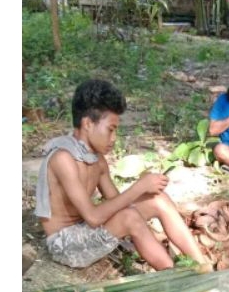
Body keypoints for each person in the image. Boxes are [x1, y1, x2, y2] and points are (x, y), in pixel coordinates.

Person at [35, 79, 209, 271]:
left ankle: (203, 265)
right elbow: (93, 217)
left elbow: (116, 202)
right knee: (129, 218)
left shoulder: (97, 160)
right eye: (110, 130)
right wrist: (139, 187)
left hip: (85, 230)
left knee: (158, 199)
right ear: (87, 124)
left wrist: (147, 191)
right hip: (65, 244)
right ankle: (172, 276)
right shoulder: (63, 158)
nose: (113, 138)